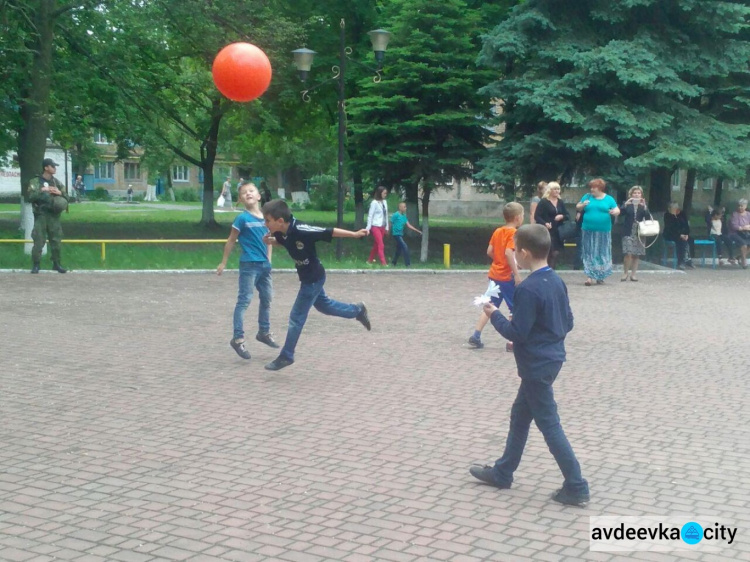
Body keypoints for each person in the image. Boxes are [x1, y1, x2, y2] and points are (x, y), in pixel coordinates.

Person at [469, 224, 589, 507]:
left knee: (549, 424)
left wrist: (494, 313)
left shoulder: (528, 289)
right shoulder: (556, 281)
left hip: (536, 364)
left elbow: (516, 333)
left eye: (515, 252)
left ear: (523, 252)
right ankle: (503, 471)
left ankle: (576, 485)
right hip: (551, 358)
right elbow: (568, 322)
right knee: (521, 415)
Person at [261, 199, 371, 371]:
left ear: (280, 221)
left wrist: (355, 234)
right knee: (324, 306)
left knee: (296, 317)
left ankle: (286, 355)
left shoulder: (302, 229)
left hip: (313, 278)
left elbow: (330, 231)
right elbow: (284, 242)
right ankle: (357, 310)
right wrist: (271, 242)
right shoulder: (282, 232)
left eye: (267, 220)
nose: (265, 224)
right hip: (307, 278)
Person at [217, 181, 279, 360]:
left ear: (259, 196)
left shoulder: (267, 219)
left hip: (264, 266)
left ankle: (264, 332)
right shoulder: (242, 219)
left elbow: (270, 241)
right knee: (244, 301)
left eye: (251, 191)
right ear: (241, 199)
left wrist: (269, 261)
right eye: (244, 193)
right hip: (249, 265)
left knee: (267, 299)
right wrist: (223, 262)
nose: (248, 194)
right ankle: (238, 338)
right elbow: (230, 240)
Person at [468, 202, 524, 350]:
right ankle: (512, 342)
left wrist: (499, 262)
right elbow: (508, 252)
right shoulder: (513, 233)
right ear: (518, 218)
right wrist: (516, 272)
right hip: (507, 276)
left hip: (495, 274)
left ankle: (476, 335)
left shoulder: (498, 231)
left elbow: (489, 251)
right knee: (515, 307)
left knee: (489, 305)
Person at [27, 158, 69, 274]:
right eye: (52, 166)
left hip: (54, 215)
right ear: (46, 167)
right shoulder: (35, 181)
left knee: (56, 241)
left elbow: (67, 197)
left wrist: (59, 193)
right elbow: (30, 197)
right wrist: (43, 190)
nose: (54, 168)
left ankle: (56, 264)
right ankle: (36, 265)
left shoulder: (57, 182)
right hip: (41, 215)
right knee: (39, 240)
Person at [576, 178, 619, 285]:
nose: (591, 189)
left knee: (602, 253)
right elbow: (578, 207)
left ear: (600, 188)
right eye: (590, 187)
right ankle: (589, 277)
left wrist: (614, 212)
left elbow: (617, 210)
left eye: (593, 187)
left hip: (604, 231)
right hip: (587, 230)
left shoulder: (609, 199)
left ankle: (600, 275)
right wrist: (582, 205)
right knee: (589, 252)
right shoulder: (587, 197)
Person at [533, 181, 569, 269]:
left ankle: (551, 270)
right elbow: (537, 216)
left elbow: (567, 215)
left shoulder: (560, 202)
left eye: (558, 189)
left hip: (558, 231)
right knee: (550, 252)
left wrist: (562, 216)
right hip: (547, 231)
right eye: (555, 189)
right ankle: (547, 270)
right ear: (550, 190)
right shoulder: (544, 202)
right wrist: (545, 223)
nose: (557, 191)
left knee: (556, 252)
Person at [619, 186, 649, 282]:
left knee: (637, 254)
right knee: (628, 253)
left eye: (638, 193)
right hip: (628, 231)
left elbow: (648, 217)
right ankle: (625, 272)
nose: (636, 195)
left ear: (641, 195)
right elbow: (620, 213)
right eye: (634, 193)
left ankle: (633, 274)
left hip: (639, 231)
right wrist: (625, 205)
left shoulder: (643, 205)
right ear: (631, 195)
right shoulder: (627, 204)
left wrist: (645, 207)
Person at [664, 202, 694, 270]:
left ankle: (689, 259)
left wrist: (686, 234)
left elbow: (686, 226)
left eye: (676, 208)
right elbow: (670, 228)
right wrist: (674, 216)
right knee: (681, 241)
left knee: (691, 239)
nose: (675, 210)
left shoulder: (682, 214)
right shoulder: (668, 215)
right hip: (671, 234)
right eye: (673, 209)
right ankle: (681, 261)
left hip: (683, 234)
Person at [390, 201, 422, 267]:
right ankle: (408, 264)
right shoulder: (396, 215)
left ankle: (393, 263)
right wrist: (388, 231)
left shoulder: (404, 216)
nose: (405, 208)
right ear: (400, 207)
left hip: (400, 234)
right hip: (396, 234)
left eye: (405, 207)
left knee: (398, 249)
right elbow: (390, 223)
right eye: (404, 207)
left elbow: (409, 225)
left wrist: (417, 231)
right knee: (405, 247)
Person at [366, 186, 389, 266]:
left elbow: (386, 215)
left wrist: (387, 227)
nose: (385, 195)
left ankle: (369, 261)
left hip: (382, 226)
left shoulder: (384, 202)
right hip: (375, 226)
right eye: (384, 193)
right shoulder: (374, 203)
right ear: (380, 193)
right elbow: (370, 215)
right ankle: (383, 263)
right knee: (381, 244)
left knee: (376, 244)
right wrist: (368, 228)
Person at [728, 199, 750, 269]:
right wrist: (743, 228)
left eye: (742, 206)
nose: (740, 207)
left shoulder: (748, 214)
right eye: (739, 206)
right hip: (735, 233)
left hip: (746, 233)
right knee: (744, 244)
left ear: (745, 206)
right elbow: (734, 226)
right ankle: (744, 261)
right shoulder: (735, 214)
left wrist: (748, 227)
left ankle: (740, 256)